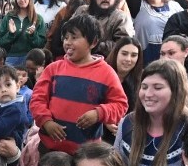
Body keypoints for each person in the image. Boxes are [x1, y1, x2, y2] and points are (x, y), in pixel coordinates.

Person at [30, 13, 127, 156]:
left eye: (74, 37)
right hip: (50, 149)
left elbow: (121, 105)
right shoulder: (53, 69)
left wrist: (98, 113)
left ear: (93, 42)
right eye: (66, 38)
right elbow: (37, 99)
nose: (67, 42)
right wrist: (46, 122)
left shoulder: (106, 73)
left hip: (86, 154)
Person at [115, 59, 188, 166]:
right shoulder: (128, 123)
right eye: (144, 87)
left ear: (176, 91)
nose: (148, 94)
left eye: (157, 87)